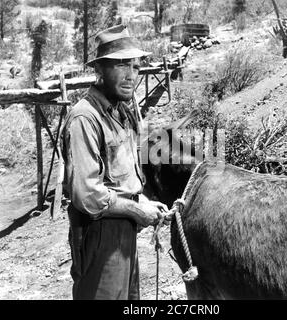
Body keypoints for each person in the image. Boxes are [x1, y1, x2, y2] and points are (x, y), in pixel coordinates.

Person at [61, 25, 169, 300]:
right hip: (98, 233)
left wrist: (141, 202)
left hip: (125, 229)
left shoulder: (121, 111)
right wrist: (135, 210)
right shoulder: (85, 118)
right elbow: (87, 195)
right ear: (100, 70)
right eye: (121, 65)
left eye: (134, 66)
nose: (130, 75)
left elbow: (122, 177)